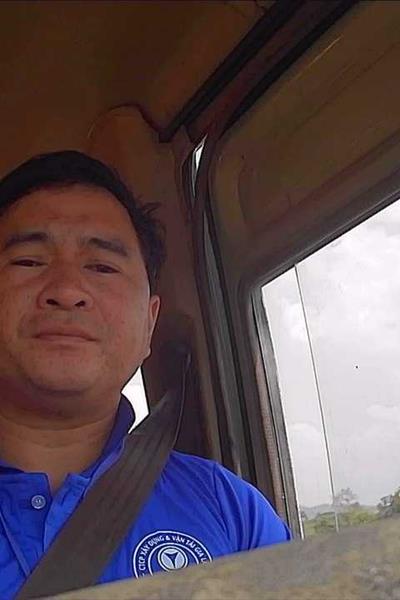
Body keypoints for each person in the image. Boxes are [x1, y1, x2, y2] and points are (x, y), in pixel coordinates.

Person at [0, 151, 290, 599]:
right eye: (28, 261)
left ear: (149, 324)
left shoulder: (230, 510)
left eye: (102, 267)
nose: (67, 291)